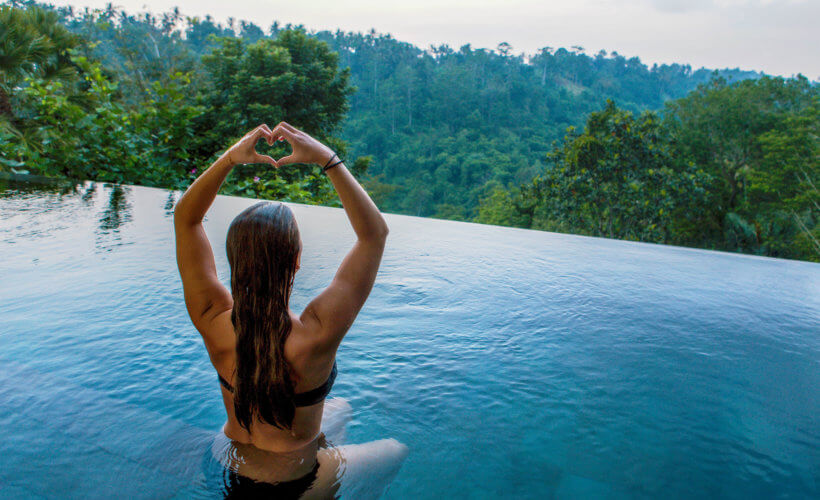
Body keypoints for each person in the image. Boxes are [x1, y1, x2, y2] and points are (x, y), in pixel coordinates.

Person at [174, 122, 407, 498]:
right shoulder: (317, 332)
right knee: (396, 450)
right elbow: (374, 234)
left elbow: (186, 218)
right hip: (294, 484)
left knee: (341, 407)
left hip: (225, 458)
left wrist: (232, 158)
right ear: (296, 261)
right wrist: (327, 160)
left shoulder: (212, 319)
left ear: (234, 261)